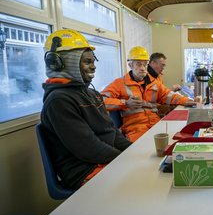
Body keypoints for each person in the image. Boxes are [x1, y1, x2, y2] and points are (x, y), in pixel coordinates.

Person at [40, 29, 131, 190]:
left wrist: (133, 152)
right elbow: (88, 148)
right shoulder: (59, 100)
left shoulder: (91, 94)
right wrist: (124, 160)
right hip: (86, 170)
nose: (93, 67)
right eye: (87, 62)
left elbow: (112, 132)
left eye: (93, 62)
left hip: (105, 161)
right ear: (62, 63)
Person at [102, 46, 196, 142]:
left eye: (145, 64)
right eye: (138, 64)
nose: (143, 68)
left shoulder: (154, 83)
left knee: (175, 140)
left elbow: (168, 95)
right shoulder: (120, 83)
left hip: (156, 123)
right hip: (135, 128)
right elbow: (101, 101)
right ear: (130, 65)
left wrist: (186, 101)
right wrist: (125, 103)